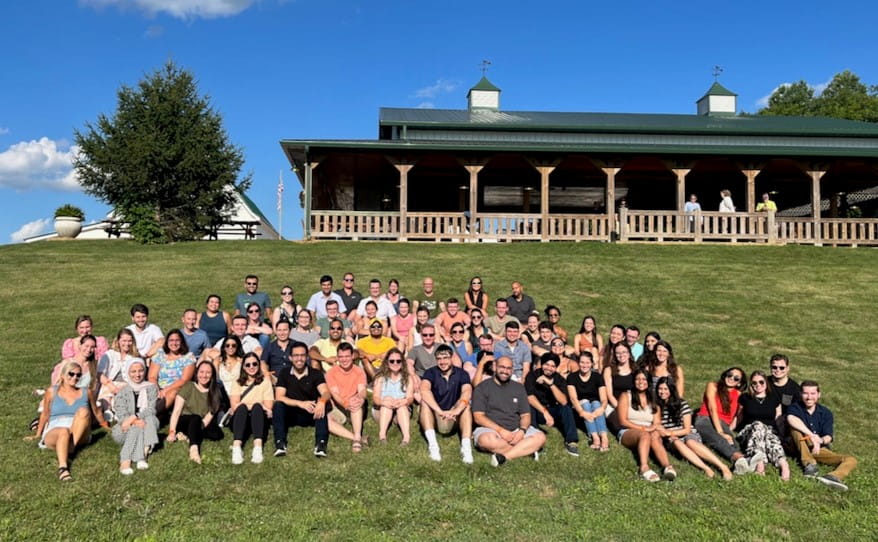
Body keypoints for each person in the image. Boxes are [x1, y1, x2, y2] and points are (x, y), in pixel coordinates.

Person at [29, 361, 108, 481]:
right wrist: (37, 434)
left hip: (79, 430)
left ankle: (70, 448)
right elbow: (45, 413)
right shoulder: (52, 391)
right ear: (63, 375)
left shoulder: (86, 392)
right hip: (56, 428)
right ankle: (63, 468)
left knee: (84, 411)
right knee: (63, 431)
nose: (75, 377)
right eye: (71, 374)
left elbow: (96, 411)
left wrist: (105, 426)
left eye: (78, 375)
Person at [472, 356, 546, 466]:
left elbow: (525, 415)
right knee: (485, 440)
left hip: (516, 429)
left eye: (509, 368)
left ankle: (504, 457)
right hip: (492, 429)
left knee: (541, 438)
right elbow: (478, 417)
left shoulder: (519, 388)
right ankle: (525, 450)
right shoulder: (482, 387)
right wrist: (501, 430)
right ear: (494, 367)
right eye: (502, 367)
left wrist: (522, 431)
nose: (505, 371)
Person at [655, 376, 732, 480]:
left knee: (690, 442)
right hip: (673, 439)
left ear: (671, 390)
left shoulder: (681, 404)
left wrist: (669, 432)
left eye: (665, 389)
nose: (662, 392)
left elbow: (687, 429)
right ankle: (705, 468)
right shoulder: (656, 406)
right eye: (660, 389)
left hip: (687, 434)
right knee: (677, 442)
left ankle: (722, 467)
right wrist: (668, 434)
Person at [787, 381, 857, 491]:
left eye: (813, 393)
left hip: (817, 448)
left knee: (851, 459)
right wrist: (812, 436)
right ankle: (809, 465)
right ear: (801, 394)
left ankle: (833, 477)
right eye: (806, 393)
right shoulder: (795, 408)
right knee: (796, 430)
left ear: (819, 394)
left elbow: (828, 436)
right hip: (798, 446)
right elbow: (791, 419)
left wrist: (819, 441)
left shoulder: (825, 413)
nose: (809, 397)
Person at [272, 341, 331, 458]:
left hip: (311, 412)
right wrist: (300, 403)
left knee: (321, 405)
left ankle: (321, 444)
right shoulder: (284, 373)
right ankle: (280, 443)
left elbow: (326, 392)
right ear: (290, 357)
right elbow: (279, 396)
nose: (299, 359)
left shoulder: (315, 373)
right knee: (278, 405)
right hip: (292, 413)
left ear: (307, 357)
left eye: (302, 355)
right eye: (296, 355)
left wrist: (322, 401)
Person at [693, 367, 756, 475]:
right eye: (730, 375)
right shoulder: (713, 386)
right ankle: (738, 458)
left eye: (736, 378)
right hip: (705, 419)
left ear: (739, 383)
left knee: (734, 442)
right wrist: (720, 431)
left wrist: (729, 429)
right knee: (718, 438)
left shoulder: (738, 394)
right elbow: (712, 409)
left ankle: (741, 463)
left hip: (723, 423)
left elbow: (740, 414)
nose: (731, 378)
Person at [617, 369, 675, 482]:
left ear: (648, 382)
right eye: (637, 379)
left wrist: (654, 429)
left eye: (644, 379)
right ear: (633, 381)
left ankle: (667, 466)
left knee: (654, 435)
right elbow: (622, 421)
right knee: (645, 435)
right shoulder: (625, 396)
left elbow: (657, 422)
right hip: (628, 431)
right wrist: (645, 428)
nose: (640, 381)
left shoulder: (653, 399)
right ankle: (644, 467)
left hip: (649, 430)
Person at [420, 344, 474, 463]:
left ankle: (466, 447)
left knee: (466, 405)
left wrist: (456, 411)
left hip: (454, 416)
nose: (442, 361)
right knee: (424, 402)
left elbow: (467, 391)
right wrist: (439, 411)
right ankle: (433, 446)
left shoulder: (462, 373)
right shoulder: (430, 372)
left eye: (445, 358)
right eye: (439, 359)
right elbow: (424, 390)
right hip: (436, 415)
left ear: (452, 358)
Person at [167, 361, 224, 464]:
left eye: (208, 373)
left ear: (212, 375)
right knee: (195, 418)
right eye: (201, 372)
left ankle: (189, 435)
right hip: (185, 419)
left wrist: (198, 428)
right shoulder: (189, 386)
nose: (204, 375)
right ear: (197, 373)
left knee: (217, 434)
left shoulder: (215, 392)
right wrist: (172, 431)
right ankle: (194, 449)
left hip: (200, 422)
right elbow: (176, 411)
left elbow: (207, 418)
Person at [737, 371, 790, 480]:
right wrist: (727, 431)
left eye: (761, 382)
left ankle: (783, 465)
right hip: (749, 431)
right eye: (754, 383)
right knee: (758, 425)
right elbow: (739, 417)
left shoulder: (774, 399)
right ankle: (759, 464)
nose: (758, 385)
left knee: (772, 440)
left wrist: (783, 434)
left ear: (766, 383)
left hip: (769, 431)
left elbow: (778, 419)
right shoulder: (745, 398)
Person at [525, 353, 580, 457]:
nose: (549, 368)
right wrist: (544, 412)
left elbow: (563, 401)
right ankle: (534, 440)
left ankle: (571, 441)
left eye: (553, 366)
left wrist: (550, 384)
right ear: (542, 364)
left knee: (566, 408)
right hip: (538, 410)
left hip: (553, 410)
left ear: (556, 368)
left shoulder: (559, 379)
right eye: (547, 364)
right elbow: (530, 397)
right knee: (529, 406)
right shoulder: (532, 375)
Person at [111, 358, 159, 475]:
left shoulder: (151, 388)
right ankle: (128, 460)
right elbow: (122, 417)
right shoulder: (122, 392)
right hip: (124, 429)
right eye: (133, 371)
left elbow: (151, 409)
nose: (137, 375)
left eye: (140, 371)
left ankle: (143, 452)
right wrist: (134, 421)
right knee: (137, 427)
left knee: (150, 418)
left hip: (146, 423)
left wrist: (136, 416)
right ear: (128, 373)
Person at [229, 352, 274, 465]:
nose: (251, 367)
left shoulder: (265, 382)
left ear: (259, 365)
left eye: (254, 364)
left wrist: (253, 404)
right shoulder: (237, 382)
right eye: (248, 365)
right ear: (243, 367)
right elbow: (235, 405)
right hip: (241, 416)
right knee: (243, 407)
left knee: (257, 407)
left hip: (258, 416)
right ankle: (236, 447)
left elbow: (268, 406)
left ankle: (257, 447)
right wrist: (251, 404)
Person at [325, 343, 368, 451]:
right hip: (338, 405)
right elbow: (335, 394)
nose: (344, 360)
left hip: (353, 403)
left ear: (352, 356)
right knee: (325, 421)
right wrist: (345, 404)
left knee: (356, 402)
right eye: (341, 357)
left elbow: (362, 389)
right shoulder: (331, 373)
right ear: (337, 357)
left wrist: (361, 399)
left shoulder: (359, 371)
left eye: (347, 356)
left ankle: (357, 436)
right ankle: (356, 439)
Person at [96, 328, 143, 422]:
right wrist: (110, 385)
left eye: (130, 341)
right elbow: (100, 373)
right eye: (124, 341)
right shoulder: (110, 354)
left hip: (126, 383)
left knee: (124, 392)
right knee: (105, 391)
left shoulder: (135, 356)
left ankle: (119, 412)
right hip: (110, 382)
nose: (127, 343)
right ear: (118, 341)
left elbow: (137, 376)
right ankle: (107, 410)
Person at [566, 351, 609, 452]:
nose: (584, 365)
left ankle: (604, 436)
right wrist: (582, 412)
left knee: (597, 403)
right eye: (582, 362)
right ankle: (595, 437)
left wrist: (602, 409)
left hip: (595, 405)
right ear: (578, 363)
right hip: (579, 406)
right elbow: (573, 398)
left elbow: (604, 398)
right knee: (585, 402)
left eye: (587, 362)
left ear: (592, 364)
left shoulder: (597, 377)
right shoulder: (572, 377)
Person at [373, 348, 415, 445]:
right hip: (382, 410)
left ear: (402, 363)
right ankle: (382, 435)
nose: (395, 363)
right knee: (387, 399)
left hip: (401, 410)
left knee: (402, 405)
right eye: (392, 361)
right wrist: (384, 402)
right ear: (387, 363)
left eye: (398, 361)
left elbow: (410, 397)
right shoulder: (380, 378)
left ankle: (406, 437)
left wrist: (405, 401)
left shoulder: (408, 378)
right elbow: (375, 398)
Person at [148, 329, 197, 414]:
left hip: (178, 389)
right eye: (171, 340)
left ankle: (152, 414)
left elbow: (184, 380)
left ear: (182, 342)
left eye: (177, 340)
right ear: (167, 342)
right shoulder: (160, 355)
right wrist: (157, 390)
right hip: (159, 389)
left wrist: (166, 390)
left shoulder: (188, 357)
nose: (174, 343)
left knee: (173, 392)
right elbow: (152, 377)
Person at [602, 342, 635, 420]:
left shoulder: (636, 369)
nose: (621, 355)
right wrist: (620, 409)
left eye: (624, 352)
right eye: (618, 353)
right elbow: (609, 395)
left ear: (629, 353)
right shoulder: (609, 370)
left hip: (632, 405)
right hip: (614, 405)